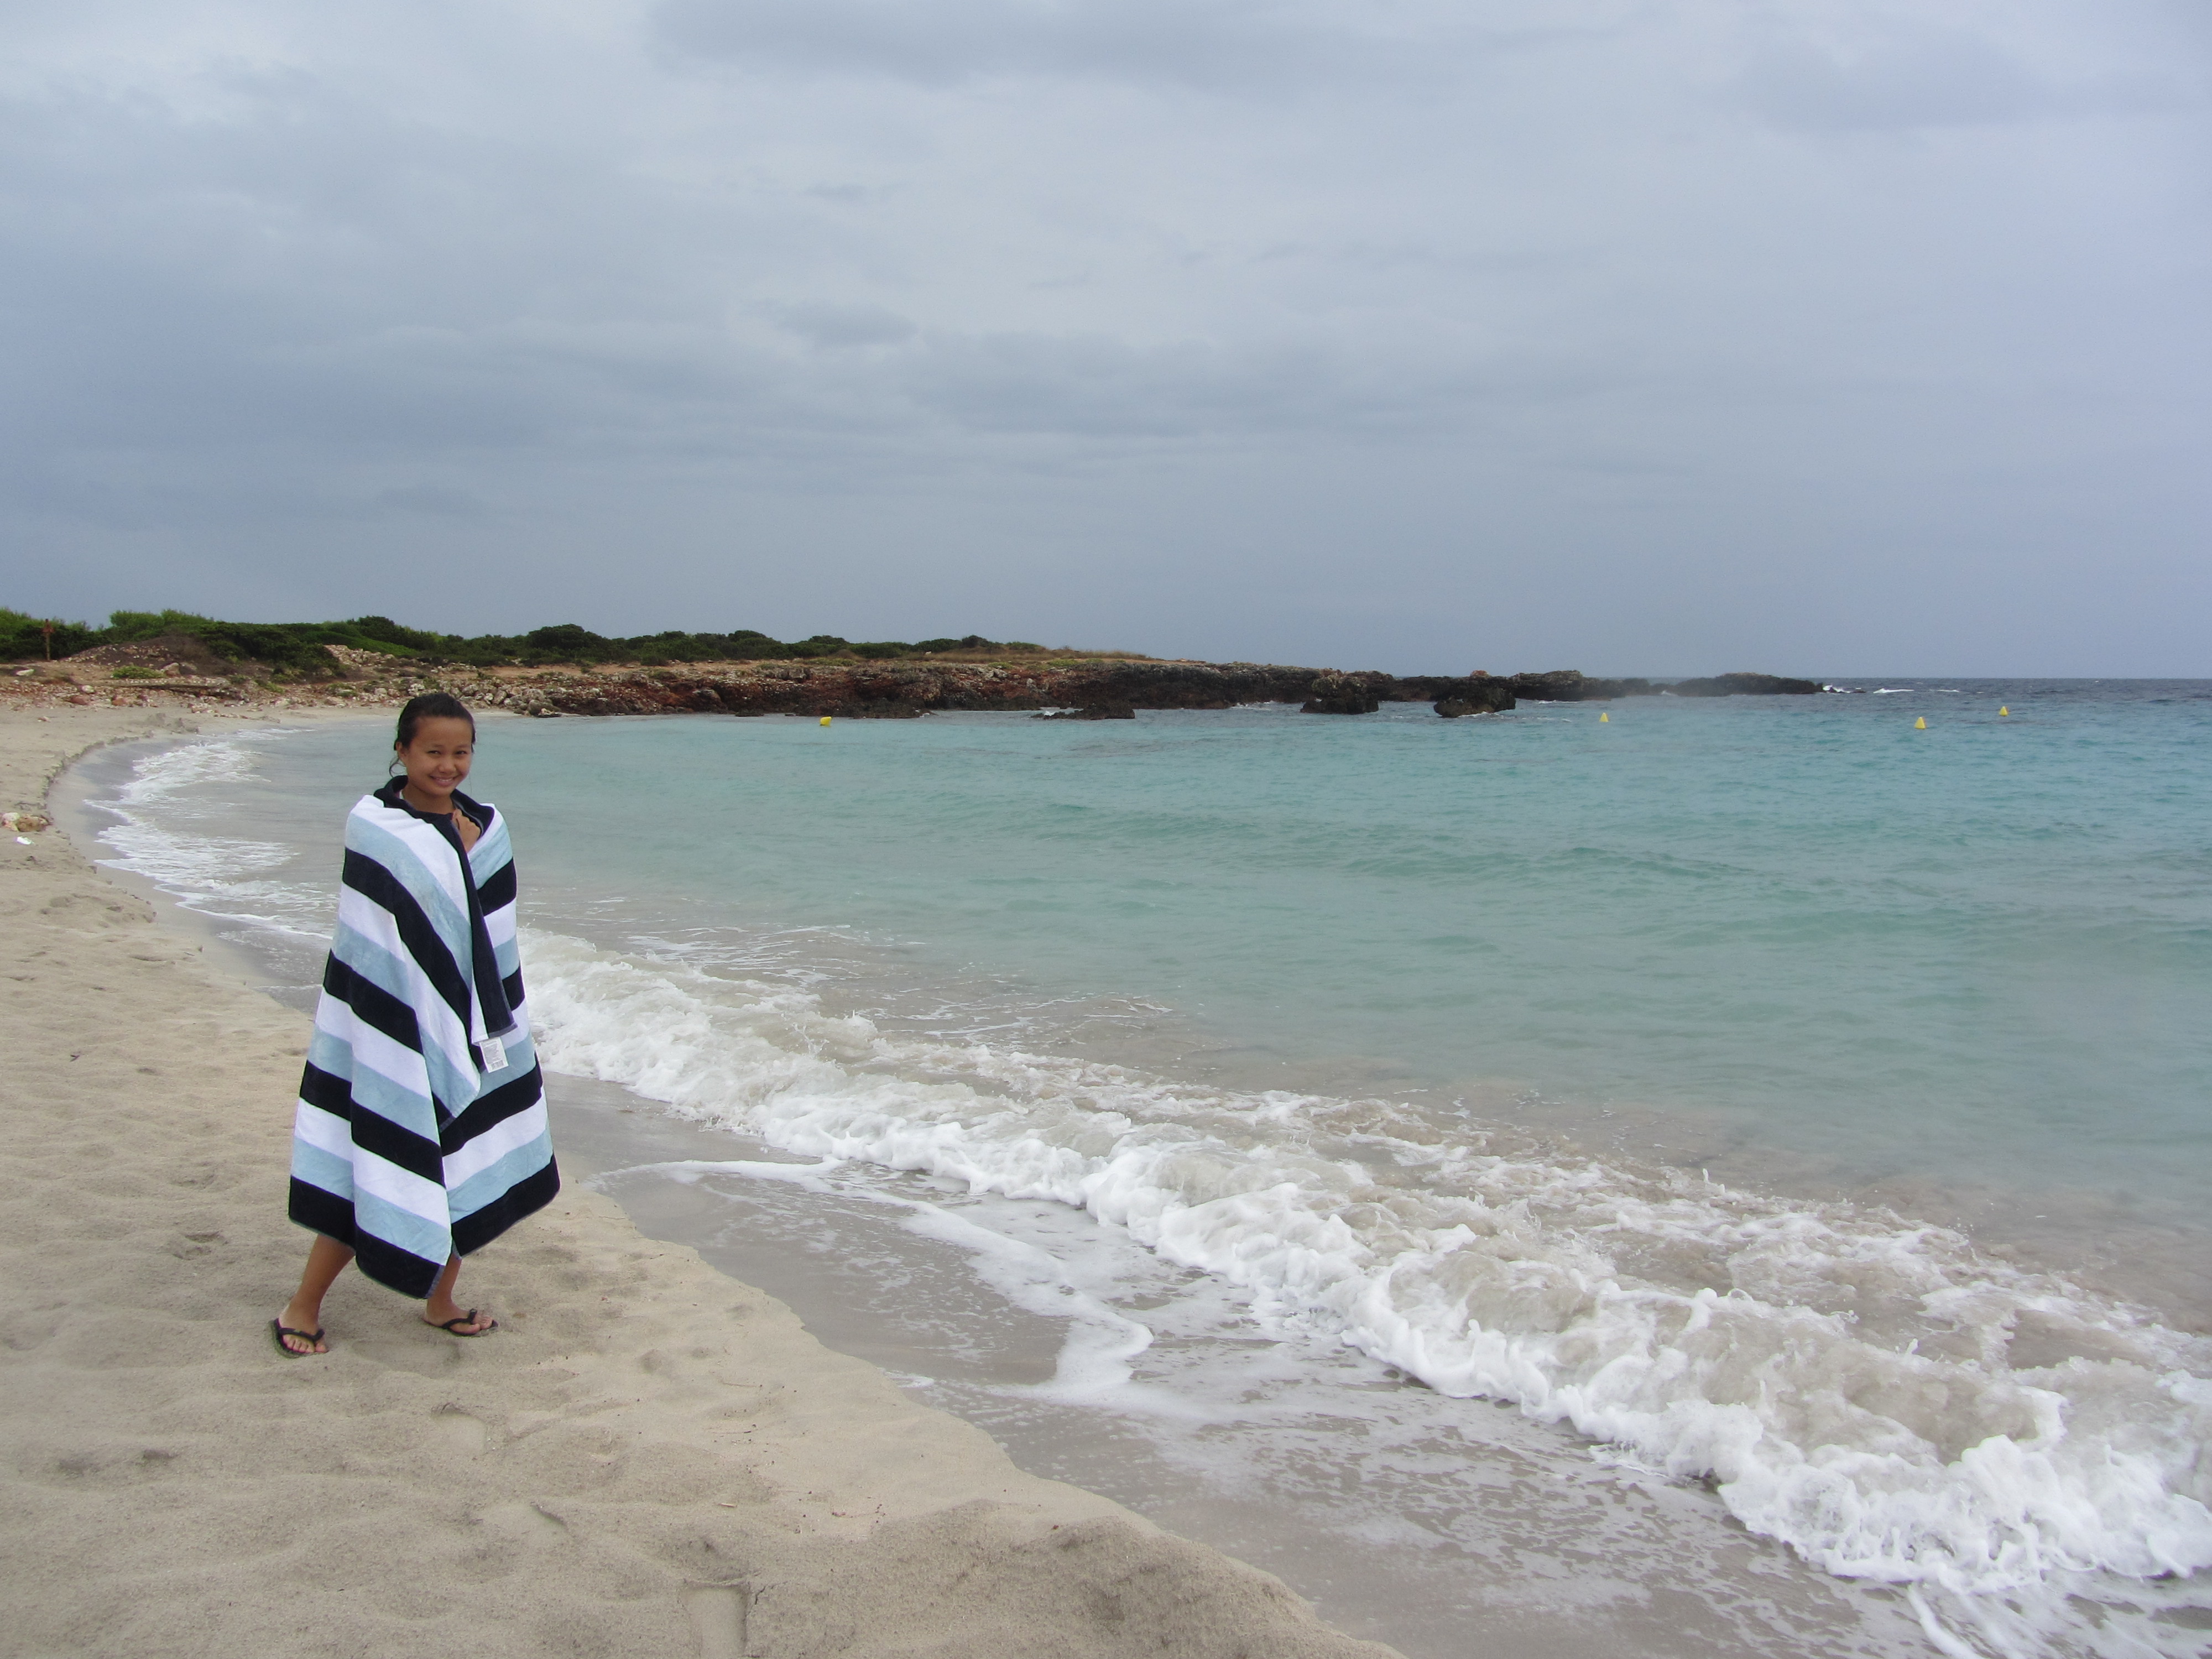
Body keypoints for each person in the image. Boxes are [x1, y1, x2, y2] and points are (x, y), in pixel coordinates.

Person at [273, 693, 559, 1356]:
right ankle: (302, 1306)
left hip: (476, 1028)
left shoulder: (486, 826)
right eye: (433, 751)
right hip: (393, 1030)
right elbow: (371, 940)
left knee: (465, 1163)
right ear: (401, 750)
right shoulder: (376, 826)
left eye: (461, 752)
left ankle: (440, 1302)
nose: (448, 765)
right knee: (379, 1158)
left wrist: (493, 1022)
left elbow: (490, 933)